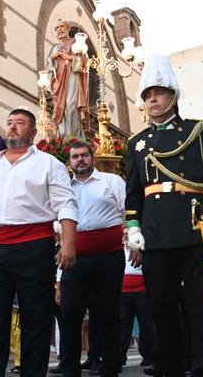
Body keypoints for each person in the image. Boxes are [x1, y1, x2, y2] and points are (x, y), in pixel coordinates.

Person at [124, 53, 203, 377]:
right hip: (155, 234)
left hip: (194, 228)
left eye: (157, 93)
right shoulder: (137, 143)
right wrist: (133, 227)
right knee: (161, 308)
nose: (152, 99)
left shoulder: (199, 131)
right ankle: (170, 369)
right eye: (147, 95)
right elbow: (133, 193)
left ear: (173, 95)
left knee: (200, 308)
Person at [0, 108, 79, 376]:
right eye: (10, 123)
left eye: (20, 123)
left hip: (34, 247)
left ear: (33, 132)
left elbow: (66, 205)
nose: (12, 127)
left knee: (35, 319)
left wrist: (68, 244)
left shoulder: (48, 163)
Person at [56, 141, 125, 377]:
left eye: (84, 155)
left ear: (92, 157)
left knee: (109, 314)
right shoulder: (63, 187)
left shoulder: (112, 181)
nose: (80, 160)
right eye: (75, 157)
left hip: (110, 257)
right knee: (70, 313)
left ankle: (111, 367)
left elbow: (126, 214)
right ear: (70, 161)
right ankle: (69, 368)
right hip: (76, 259)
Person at [48, 20, 90, 139]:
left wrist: (70, 57)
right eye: (57, 28)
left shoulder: (75, 43)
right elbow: (49, 65)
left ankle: (75, 137)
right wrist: (53, 57)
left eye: (62, 27)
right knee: (61, 107)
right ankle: (64, 135)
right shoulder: (55, 47)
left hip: (72, 75)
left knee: (71, 104)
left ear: (68, 29)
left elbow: (84, 59)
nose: (59, 30)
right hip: (59, 79)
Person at [117, 252, 157, 374]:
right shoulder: (121, 247)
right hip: (123, 291)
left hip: (142, 290)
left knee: (145, 325)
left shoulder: (141, 245)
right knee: (123, 325)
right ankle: (119, 356)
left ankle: (148, 356)